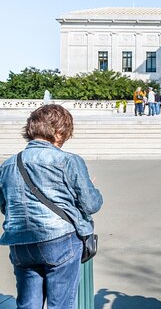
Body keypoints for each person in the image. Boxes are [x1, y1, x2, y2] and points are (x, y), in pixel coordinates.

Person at [0, 105, 103, 308]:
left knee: (28, 304)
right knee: (61, 304)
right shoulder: (67, 160)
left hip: (20, 241)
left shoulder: (8, 164)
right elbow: (91, 204)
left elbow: (5, 206)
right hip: (59, 239)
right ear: (58, 131)